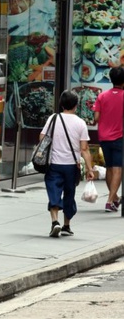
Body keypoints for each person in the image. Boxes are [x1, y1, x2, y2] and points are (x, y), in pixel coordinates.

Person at [41, 91, 95, 237]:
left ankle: (54, 221)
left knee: (54, 191)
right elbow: (84, 149)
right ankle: (66, 225)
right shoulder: (80, 123)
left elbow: (42, 138)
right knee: (69, 194)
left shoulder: (53, 118)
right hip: (72, 165)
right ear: (76, 106)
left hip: (54, 163)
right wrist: (90, 169)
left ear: (61, 104)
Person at [93, 67, 124, 213]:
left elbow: (96, 118)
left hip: (103, 137)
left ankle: (115, 198)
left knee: (109, 168)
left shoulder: (102, 96)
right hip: (119, 137)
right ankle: (110, 200)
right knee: (118, 169)